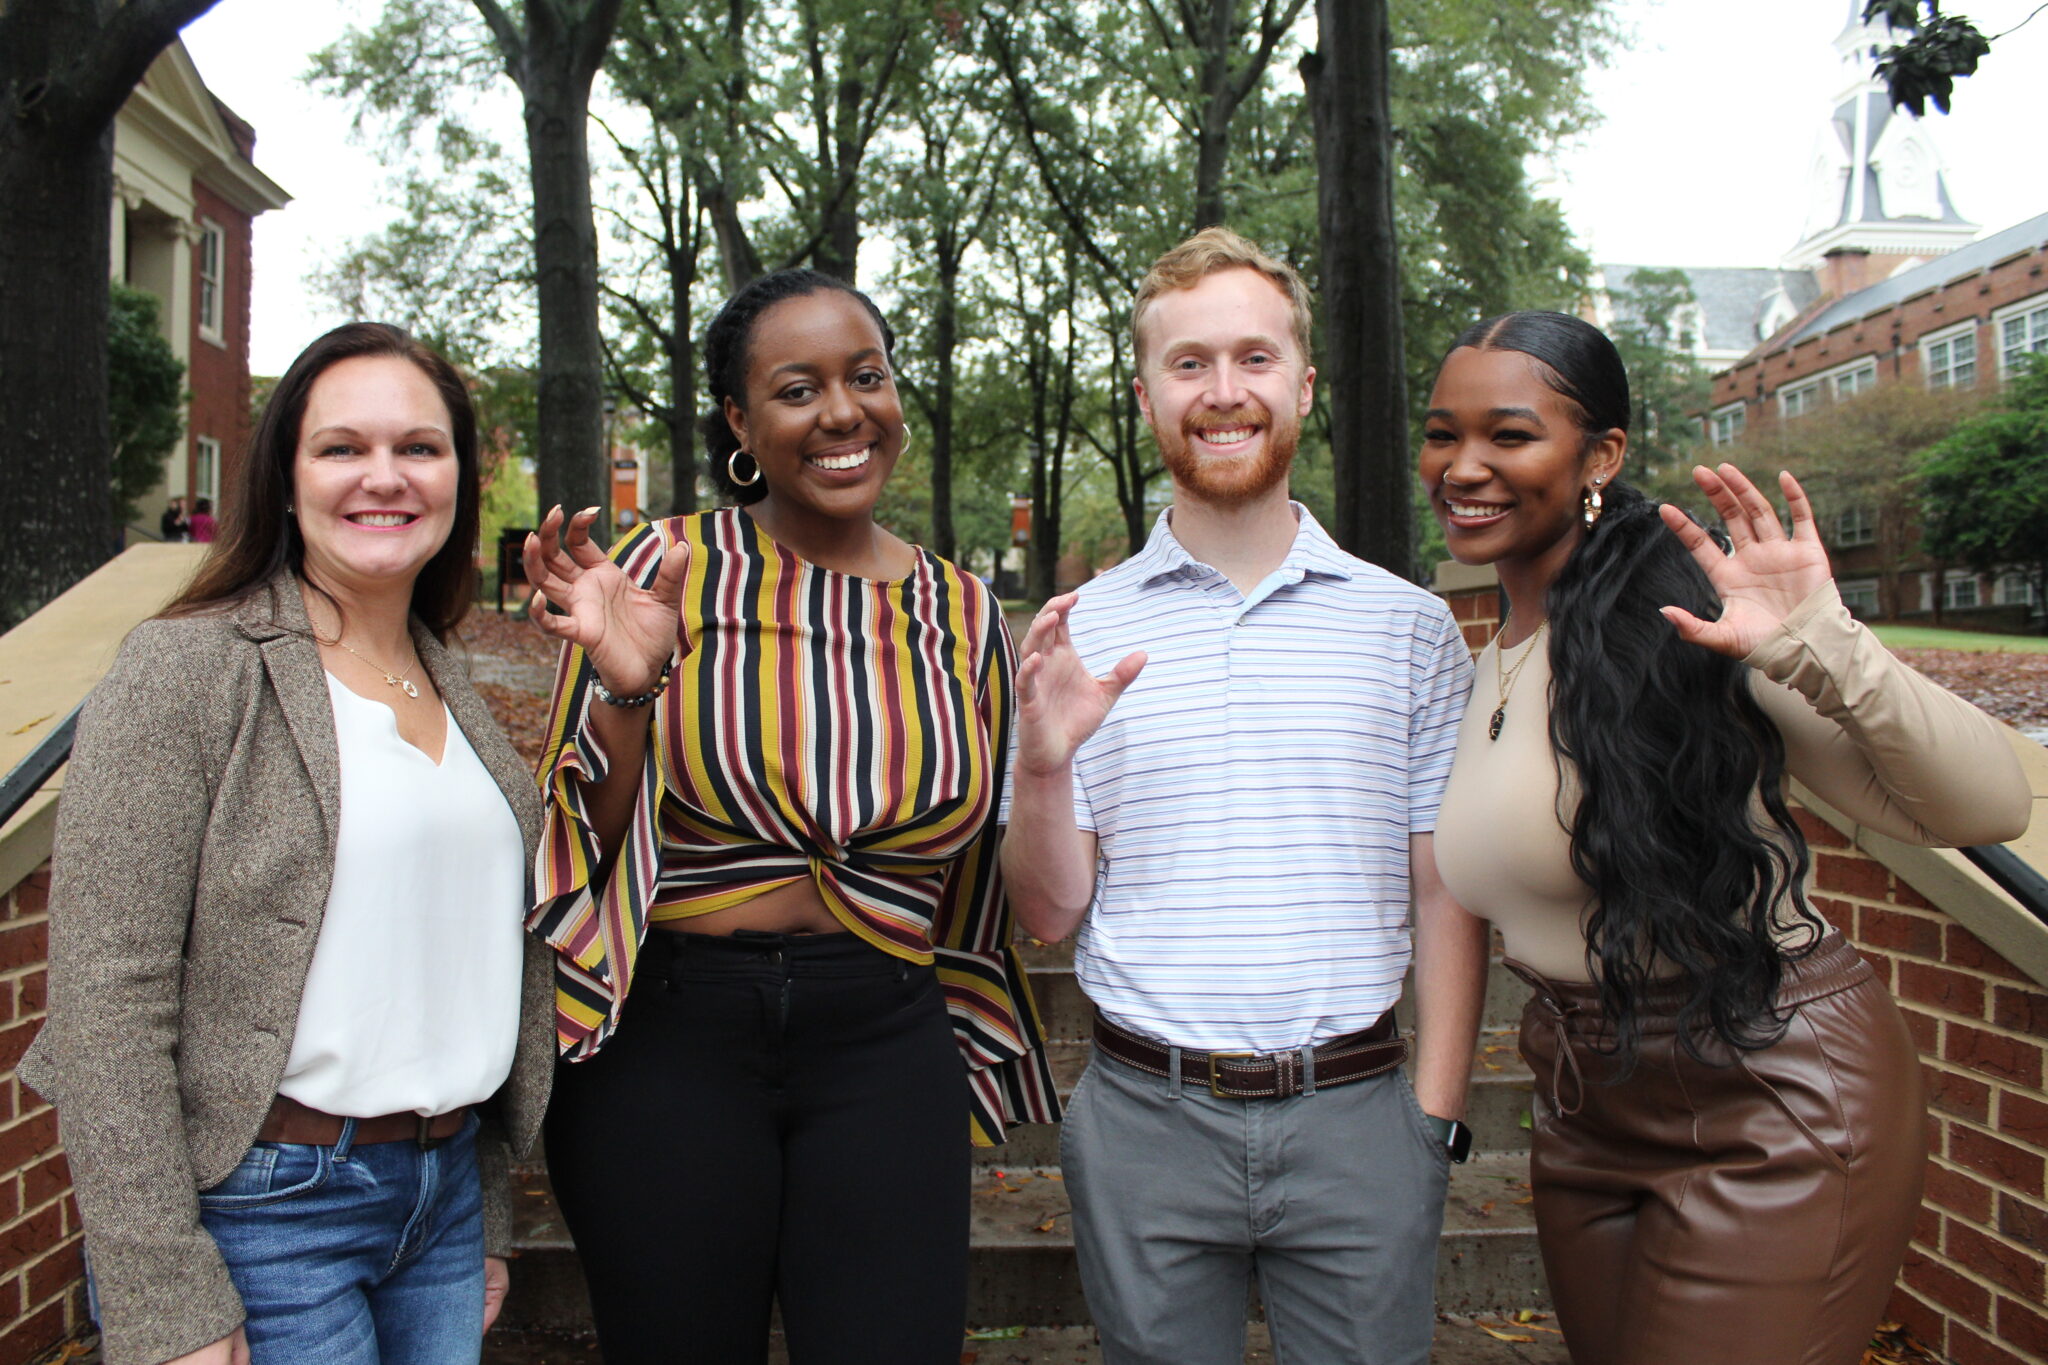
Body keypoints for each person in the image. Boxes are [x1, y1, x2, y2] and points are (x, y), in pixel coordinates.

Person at [1421, 310, 2030, 1364]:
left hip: (1763, 1089)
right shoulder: (1490, 660)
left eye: (1508, 435)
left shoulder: (1677, 624)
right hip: (1581, 1105)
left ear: (1598, 455)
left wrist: (1822, 643)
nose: (1462, 466)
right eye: (1441, 433)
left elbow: (1984, 806)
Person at [524, 267, 1058, 1365]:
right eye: (796, 388)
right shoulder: (664, 567)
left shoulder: (961, 610)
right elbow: (587, 836)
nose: (841, 413)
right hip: (675, 1040)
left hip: (883, 1041)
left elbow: (970, 880)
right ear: (739, 420)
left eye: (865, 377)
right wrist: (631, 688)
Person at [1000, 227, 1489, 1365]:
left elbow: (1445, 892)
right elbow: (1045, 912)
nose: (1223, 393)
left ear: (1302, 384)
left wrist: (1433, 1117)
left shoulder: (1406, 628)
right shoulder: (1081, 636)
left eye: (1254, 360)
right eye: (1188, 364)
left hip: (1358, 1118)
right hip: (1144, 1119)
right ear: (1145, 395)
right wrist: (1042, 763)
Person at [20, 323, 554, 1365]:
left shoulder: (447, 679)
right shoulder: (189, 667)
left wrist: (479, 1208)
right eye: (342, 447)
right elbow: (104, 1000)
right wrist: (162, 1288)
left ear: (457, 477)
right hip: (265, 1211)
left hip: (438, 1205)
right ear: (287, 472)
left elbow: (463, 969)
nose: (384, 477)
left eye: (419, 447)